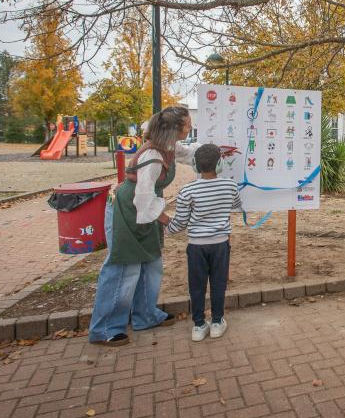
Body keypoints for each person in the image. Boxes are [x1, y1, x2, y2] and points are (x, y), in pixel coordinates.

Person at [89, 106, 198, 346]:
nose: (190, 128)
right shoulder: (152, 156)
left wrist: (220, 152)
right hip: (130, 209)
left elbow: (190, 154)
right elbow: (143, 198)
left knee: (151, 263)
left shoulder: (169, 147)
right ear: (174, 129)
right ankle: (105, 328)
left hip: (145, 208)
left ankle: (145, 315)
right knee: (123, 268)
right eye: (187, 125)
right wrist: (170, 221)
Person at [167, 144, 242, 341]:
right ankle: (217, 322)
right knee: (219, 283)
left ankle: (199, 325)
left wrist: (165, 227)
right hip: (220, 244)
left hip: (196, 246)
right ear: (219, 165)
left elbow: (180, 223)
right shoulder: (230, 186)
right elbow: (236, 205)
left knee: (197, 285)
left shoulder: (187, 191)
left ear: (195, 165)